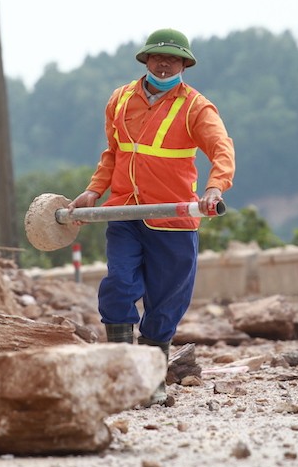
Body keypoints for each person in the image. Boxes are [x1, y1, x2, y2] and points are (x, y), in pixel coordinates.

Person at [68, 28, 235, 405]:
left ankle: (153, 380)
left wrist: (214, 190)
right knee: (120, 284)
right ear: (145, 60)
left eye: (172, 59)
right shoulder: (120, 100)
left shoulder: (196, 107)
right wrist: (95, 191)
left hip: (174, 219)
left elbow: (221, 149)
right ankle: (127, 378)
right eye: (158, 57)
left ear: (184, 65)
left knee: (167, 300)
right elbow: (112, 153)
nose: (164, 64)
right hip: (126, 210)